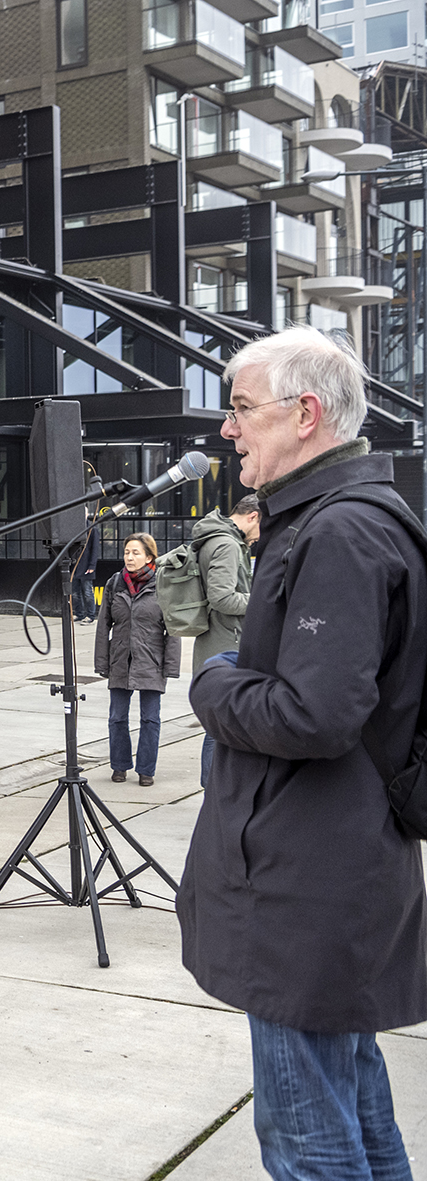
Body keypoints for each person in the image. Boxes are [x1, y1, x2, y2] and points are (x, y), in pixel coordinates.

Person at [182, 326, 427, 1177]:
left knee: (310, 1140)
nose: (228, 429)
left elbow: (316, 714)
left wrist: (214, 683)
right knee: (357, 1112)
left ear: (307, 413)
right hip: (324, 877)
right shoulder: (334, 521)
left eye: (242, 408)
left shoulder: (341, 534)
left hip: (307, 888)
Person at [93, 533, 181, 786]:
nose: (130, 557)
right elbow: (103, 626)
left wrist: (170, 667)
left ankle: (146, 770)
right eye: (127, 552)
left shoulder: (163, 585)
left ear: (150, 557)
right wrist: (102, 662)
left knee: (150, 719)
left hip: (151, 660)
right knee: (117, 718)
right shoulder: (114, 583)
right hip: (120, 659)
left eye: (136, 553)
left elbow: (172, 630)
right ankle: (119, 766)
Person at [189, 495, 259, 789]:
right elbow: (223, 598)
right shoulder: (227, 545)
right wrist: (262, 600)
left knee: (220, 727)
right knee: (220, 730)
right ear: (254, 516)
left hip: (216, 641)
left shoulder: (217, 537)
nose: (260, 537)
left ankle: (215, 793)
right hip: (226, 644)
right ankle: (214, 794)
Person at [70, 523, 100, 624]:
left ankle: (90, 616)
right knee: (75, 592)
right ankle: (79, 613)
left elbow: (95, 549)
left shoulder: (92, 529)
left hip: (86, 565)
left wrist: (92, 566)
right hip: (75, 565)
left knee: (87, 592)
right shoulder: (74, 528)